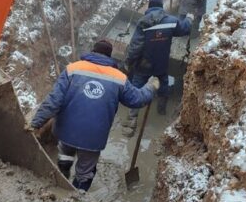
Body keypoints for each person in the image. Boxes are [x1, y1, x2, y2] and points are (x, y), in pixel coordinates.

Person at [27, 39, 159, 191]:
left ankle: (61, 182)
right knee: (85, 172)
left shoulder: (73, 68)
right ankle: (77, 199)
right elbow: (137, 100)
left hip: (65, 131)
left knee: (65, 154)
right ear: (110, 57)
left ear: (92, 51)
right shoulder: (119, 78)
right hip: (93, 138)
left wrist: (34, 123)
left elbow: (53, 101)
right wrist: (151, 87)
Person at [122, 0, 192, 130]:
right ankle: (161, 110)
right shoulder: (171, 21)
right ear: (161, 6)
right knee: (163, 85)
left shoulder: (143, 22)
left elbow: (135, 46)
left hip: (143, 64)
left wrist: (128, 62)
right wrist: (189, 18)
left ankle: (132, 118)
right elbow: (184, 29)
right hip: (161, 63)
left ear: (149, 6)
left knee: (137, 88)